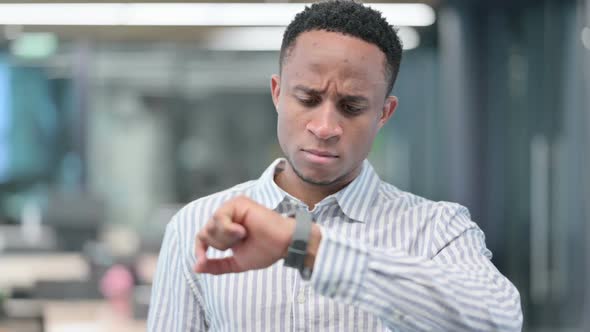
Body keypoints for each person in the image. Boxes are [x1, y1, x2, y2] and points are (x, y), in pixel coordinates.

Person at [147, 1, 523, 331]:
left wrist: (301, 246)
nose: (325, 128)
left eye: (352, 107)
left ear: (383, 113)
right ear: (278, 93)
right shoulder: (196, 226)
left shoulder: (435, 231)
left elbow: (499, 320)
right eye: (308, 98)